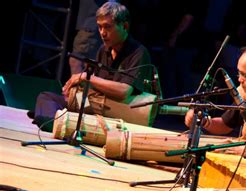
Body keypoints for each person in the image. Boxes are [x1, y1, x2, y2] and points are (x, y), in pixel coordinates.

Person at [30, 1, 153, 132]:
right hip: (95, 108)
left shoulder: (138, 52)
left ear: (125, 26)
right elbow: (93, 87)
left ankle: (54, 121)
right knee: (47, 97)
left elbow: (123, 92)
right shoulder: (103, 50)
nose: (102, 33)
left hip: (118, 114)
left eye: (108, 27)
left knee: (51, 110)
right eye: (100, 27)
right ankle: (54, 118)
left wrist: (85, 77)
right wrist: (75, 89)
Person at [69, 0, 111, 74]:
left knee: (77, 61)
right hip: (93, 23)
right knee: (88, 64)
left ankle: (78, 85)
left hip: (92, 23)